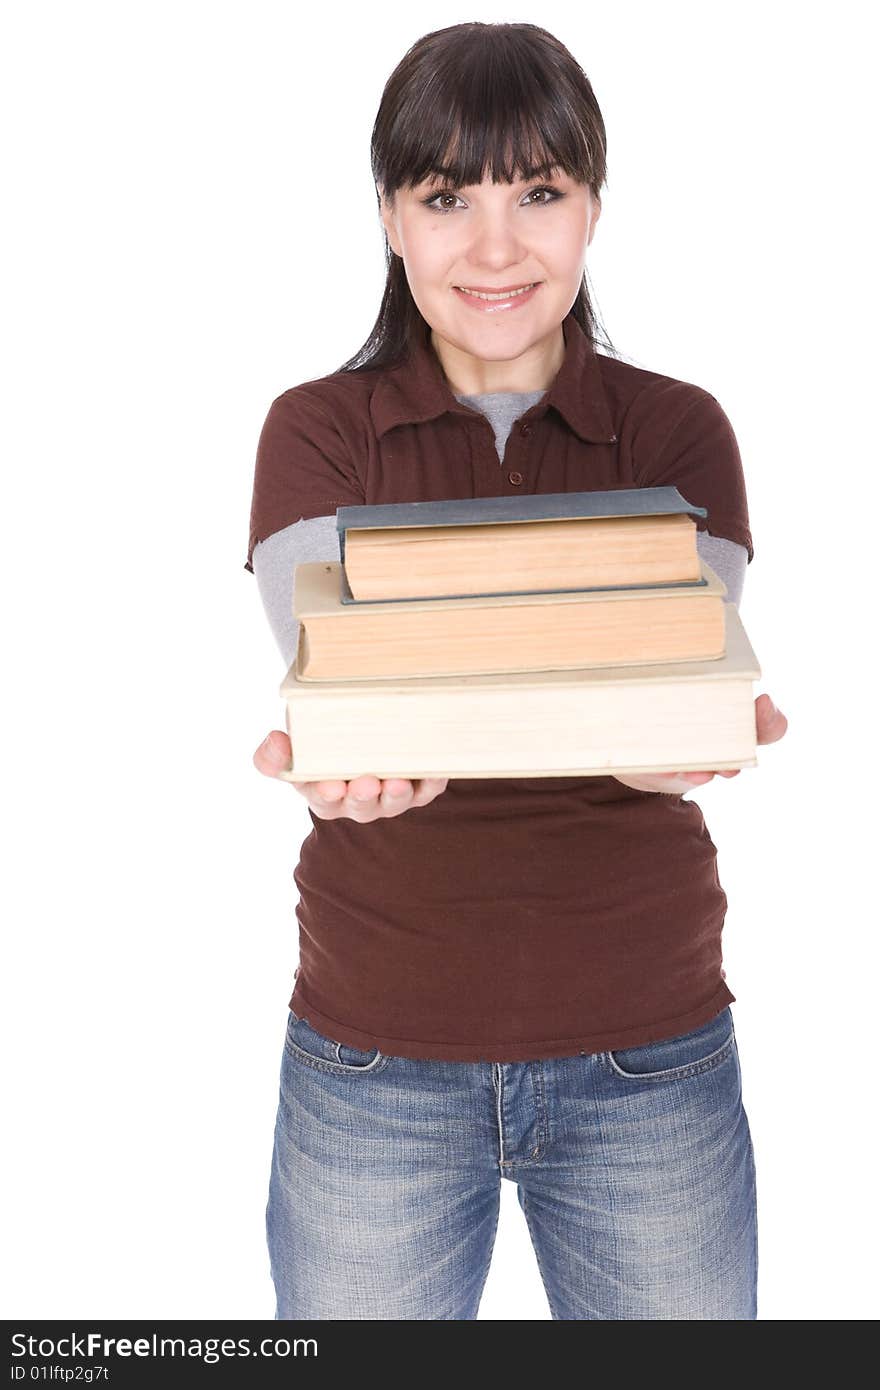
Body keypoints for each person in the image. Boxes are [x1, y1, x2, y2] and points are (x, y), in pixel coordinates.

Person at [245, 21, 788, 1320]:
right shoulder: (316, 431)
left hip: (649, 1053)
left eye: (539, 191)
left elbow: (669, 674)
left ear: (594, 204)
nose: (497, 247)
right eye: (448, 197)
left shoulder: (677, 429)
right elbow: (342, 682)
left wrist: (675, 720)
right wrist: (344, 763)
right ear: (390, 216)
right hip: (374, 1059)